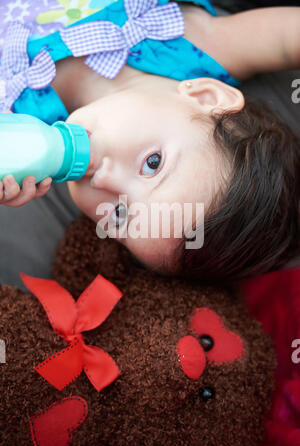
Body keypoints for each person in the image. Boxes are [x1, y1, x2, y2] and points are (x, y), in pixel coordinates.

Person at [0, 0, 300, 285]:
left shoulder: (24, 127)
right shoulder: (187, 41)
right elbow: (287, 38)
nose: (105, 180)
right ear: (206, 98)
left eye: (118, 214)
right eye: (152, 163)